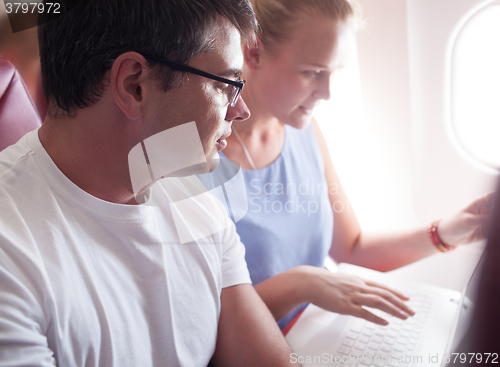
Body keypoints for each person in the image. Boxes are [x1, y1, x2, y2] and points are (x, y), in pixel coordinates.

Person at [0, 1, 297, 366]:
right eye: (228, 85)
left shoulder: (194, 202)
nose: (240, 110)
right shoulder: (11, 258)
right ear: (134, 85)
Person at [221, 0, 495, 329]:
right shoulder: (199, 163)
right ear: (253, 52)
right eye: (312, 72)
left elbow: (351, 250)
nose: (328, 92)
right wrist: (302, 284)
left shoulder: (303, 131)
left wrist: (450, 229)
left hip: (317, 329)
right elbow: (212, 323)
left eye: (334, 71)